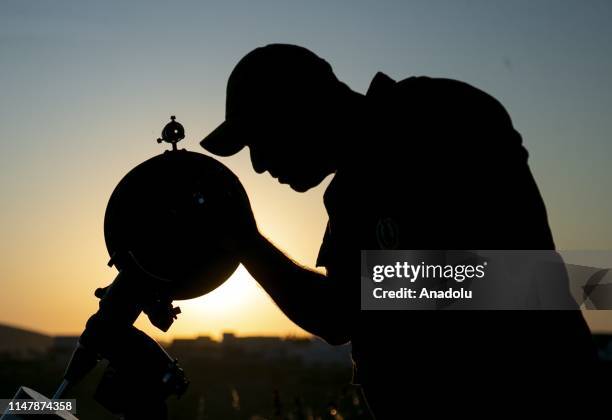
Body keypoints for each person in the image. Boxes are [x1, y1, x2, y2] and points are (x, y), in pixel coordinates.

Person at [200, 44, 597, 417]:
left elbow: (515, 280)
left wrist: (248, 243)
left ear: (297, 109)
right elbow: (340, 316)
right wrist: (246, 243)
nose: (257, 165)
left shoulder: (438, 113)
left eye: (259, 138)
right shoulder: (349, 196)